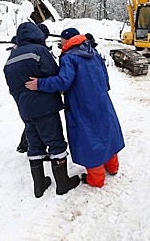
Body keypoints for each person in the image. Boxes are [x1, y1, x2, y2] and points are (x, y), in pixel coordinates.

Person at [26, 27, 125, 188]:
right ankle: (113, 167)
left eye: (62, 40)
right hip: (101, 100)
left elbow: (63, 81)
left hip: (82, 104)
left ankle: (96, 180)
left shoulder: (69, 57)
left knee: (89, 138)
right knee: (106, 132)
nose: (60, 43)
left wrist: (40, 83)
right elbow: (105, 76)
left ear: (67, 40)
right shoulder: (92, 51)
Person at [4, 22, 80, 198]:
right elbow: (54, 73)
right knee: (55, 143)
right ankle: (63, 183)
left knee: (35, 144)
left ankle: (39, 185)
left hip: (25, 109)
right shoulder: (38, 51)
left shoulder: (11, 57)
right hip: (44, 107)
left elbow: (11, 87)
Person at [15, 23, 52, 154]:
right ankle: (26, 144)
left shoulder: (19, 47)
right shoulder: (37, 50)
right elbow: (51, 71)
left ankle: (26, 145)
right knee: (39, 123)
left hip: (22, 96)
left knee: (30, 122)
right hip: (35, 92)